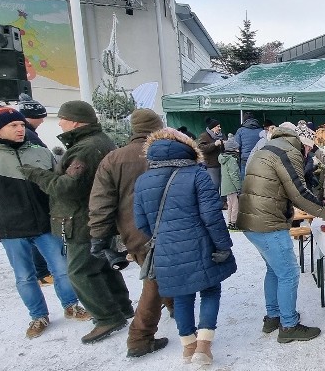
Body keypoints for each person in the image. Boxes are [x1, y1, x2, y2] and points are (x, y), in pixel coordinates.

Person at [20, 100, 133, 344]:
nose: (59, 123)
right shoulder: (97, 142)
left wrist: (36, 173)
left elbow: (67, 188)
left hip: (82, 219)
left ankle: (107, 317)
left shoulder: (84, 149)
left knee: (79, 272)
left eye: (61, 118)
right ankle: (122, 308)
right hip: (96, 216)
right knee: (102, 265)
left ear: (74, 121)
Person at [134, 127, 237, 365]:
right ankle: (204, 347)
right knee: (210, 290)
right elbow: (211, 215)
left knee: (181, 296)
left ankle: (188, 348)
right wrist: (223, 246)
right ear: (188, 148)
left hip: (165, 250)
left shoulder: (142, 180)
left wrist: (165, 237)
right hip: (201, 244)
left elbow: (141, 222)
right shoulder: (197, 174)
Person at [237, 125, 325, 344]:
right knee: (289, 273)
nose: (307, 155)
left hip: (251, 220)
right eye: (309, 151)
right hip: (268, 222)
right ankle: (289, 325)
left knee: (274, 270)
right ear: (304, 145)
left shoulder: (270, 146)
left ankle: (273, 317)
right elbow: (299, 193)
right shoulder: (289, 152)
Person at [0, 107, 91, 339]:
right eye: (13, 126)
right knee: (24, 276)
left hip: (44, 223)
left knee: (61, 269)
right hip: (11, 229)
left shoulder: (40, 152)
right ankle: (38, 316)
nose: (20, 129)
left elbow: (57, 185)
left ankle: (71, 306)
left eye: (21, 125)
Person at [87, 108, 169, 357]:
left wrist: (99, 234)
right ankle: (140, 339)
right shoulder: (166, 153)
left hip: (133, 231)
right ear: (158, 127)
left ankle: (174, 305)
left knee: (157, 276)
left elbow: (101, 200)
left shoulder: (113, 158)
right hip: (167, 226)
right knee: (153, 283)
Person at [17, 94, 51, 285]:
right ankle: (42, 272)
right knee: (39, 232)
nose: (44, 120)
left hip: (25, 194)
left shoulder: (26, 134)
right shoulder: (29, 136)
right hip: (33, 192)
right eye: (41, 116)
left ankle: (40, 271)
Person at [197, 117, 225, 207]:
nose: (219, 128)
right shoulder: (204, 136)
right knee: (215, 185)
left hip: (223, 164)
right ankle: (213, 204)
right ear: (212, 127)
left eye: (219, 126)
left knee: (224, 186)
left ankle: (223, 203)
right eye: (218, 126)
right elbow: (200, 149)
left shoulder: (222, 136)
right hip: (211, 165)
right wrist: (214, 144)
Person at [219, 139, 241, 230]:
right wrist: (239, 187)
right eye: (236, 149)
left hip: (226, 185)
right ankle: (233, 222)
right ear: (232, 149)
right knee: (235, 205)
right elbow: (234, 174)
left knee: (230, 205)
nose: (238, 151)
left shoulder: (223, 158)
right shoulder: (231, 159)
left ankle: (230, 221)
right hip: (232, 186)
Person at [234, 112, 262, 180]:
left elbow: (236, 145)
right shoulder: (261, 130)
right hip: (258, 158)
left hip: (245, 158)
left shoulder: (241, 130)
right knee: (257, 179)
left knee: (245, 180)